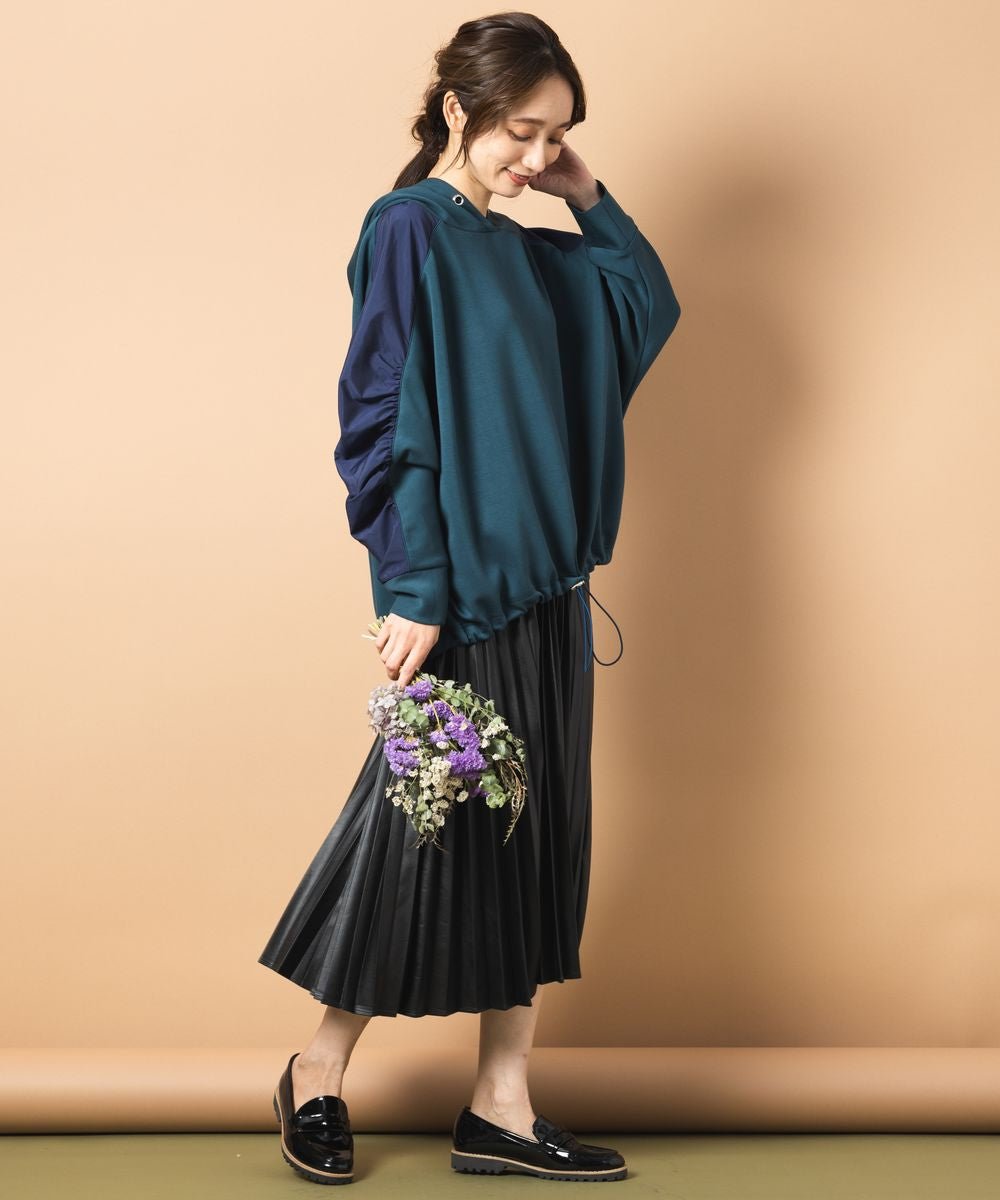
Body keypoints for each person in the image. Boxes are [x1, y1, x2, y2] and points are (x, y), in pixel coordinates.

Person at [258, 11, 680, 1186]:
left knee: (533, 837)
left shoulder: (528, 247)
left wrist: (588, 195)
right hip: (459, 594)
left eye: (556, 135)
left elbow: (643, 304)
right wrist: (417, 586)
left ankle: (500, 1102)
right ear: (458, 109)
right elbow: (379, 410)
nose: (535, 156)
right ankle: (317, 1071)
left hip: (548, 587)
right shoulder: (408, 229)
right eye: (519, 131)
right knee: (422, 824)